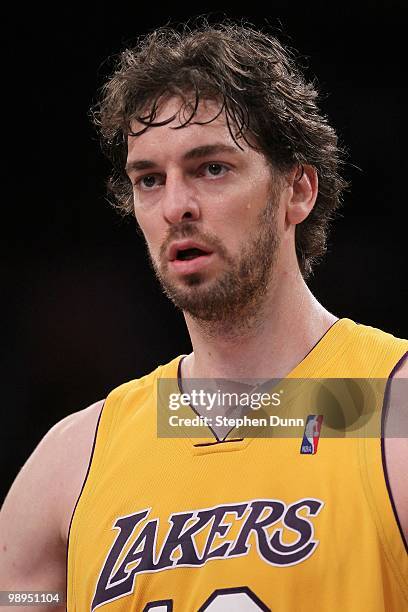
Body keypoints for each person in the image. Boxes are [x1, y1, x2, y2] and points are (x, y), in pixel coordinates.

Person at [1, 21, 407, 612]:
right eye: (149, 180)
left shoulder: (389, 412)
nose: (175, 206)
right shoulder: (71, 462)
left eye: (211, 168)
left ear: (298, 190)